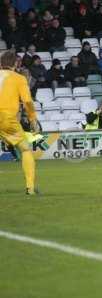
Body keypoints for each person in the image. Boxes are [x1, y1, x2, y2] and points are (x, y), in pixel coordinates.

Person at [0, 51, 40, 195]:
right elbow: (27, 101)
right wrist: (32, 119)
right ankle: (30, 187)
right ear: (15, 63)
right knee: (25, 149)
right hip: (6, 118)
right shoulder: (19, 78)